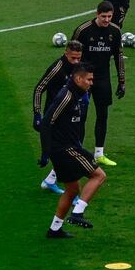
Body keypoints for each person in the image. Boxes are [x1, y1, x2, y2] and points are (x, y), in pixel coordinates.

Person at [39, 63, 107, 238]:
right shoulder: (67, 96)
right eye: (89, 79)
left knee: (72, 190)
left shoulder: (77, 93)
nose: (91, 83)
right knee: (99, 175)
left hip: (67, 146)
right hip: (65, 149)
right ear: (78, 79)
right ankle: (77, 213)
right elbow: (47, 122)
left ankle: (54, 229)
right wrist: (46, 152)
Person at [72, 1, 125, 166]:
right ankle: (77, 151)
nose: (107, 20)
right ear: (97, 14)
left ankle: (99, 153)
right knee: (81, 117)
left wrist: (121, 80)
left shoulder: (115, 32)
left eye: (110, 16)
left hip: (103, 79)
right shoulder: (83, 31)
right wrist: (72, 80)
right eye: (104, 16)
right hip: (83, 80)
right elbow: (72, 57)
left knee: (103, 115)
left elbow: (118, 56)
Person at [33, 41, 83, 194]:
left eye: (79, 58)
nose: (76, 61)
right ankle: (72, 193)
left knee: (73, 148)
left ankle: (50, 180)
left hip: (71, 114)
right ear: (66, 53)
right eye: (73, 58)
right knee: (71, 150)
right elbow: (39, 88)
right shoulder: (57, 68)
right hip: (55, 115)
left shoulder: (78, 67)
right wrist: (37, 113)